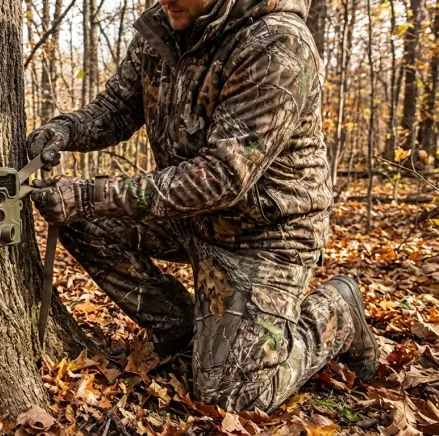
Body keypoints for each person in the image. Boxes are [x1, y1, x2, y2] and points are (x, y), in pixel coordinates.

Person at [26, 0, 379, 413]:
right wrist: (65, 130)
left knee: (233, 398)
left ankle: (337, 311)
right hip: (186, 215)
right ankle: (181, 329)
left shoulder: (277, 43)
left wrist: (88, 194)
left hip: (264, 234)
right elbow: (117, 109)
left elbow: (222, 176)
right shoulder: (161, 27)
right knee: (78, 219)